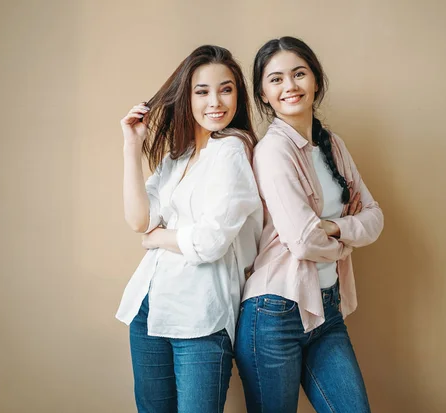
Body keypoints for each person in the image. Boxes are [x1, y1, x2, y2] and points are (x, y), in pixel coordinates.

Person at [235, 36, 384, 413]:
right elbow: (302, 242)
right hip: (273, 314)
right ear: (264, 94)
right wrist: (349, 232)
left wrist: (332, 229)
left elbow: (375, 216)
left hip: (327, 310)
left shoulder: (333, 144)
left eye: (299, 74)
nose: (290, 86)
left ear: (315, 80)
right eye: (276, 79)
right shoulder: (273, 151)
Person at [116, 45, 263, 413]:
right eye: (202, 91)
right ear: (188, 96)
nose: (216, 101)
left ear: (238, 95)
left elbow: (210, 242)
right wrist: (131, 147)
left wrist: (159, 238)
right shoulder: (176, 157)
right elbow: (139, 219)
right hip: (148, 306)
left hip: (201, 313)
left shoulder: (232, 149)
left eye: (226, 89)